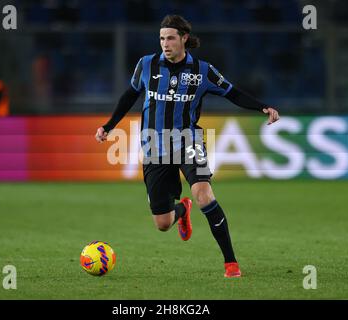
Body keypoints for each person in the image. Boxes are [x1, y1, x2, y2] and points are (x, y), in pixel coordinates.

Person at [95, 15, 280, 278]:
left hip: (187, 141)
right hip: (155, 146)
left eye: (170, 38)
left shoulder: (202, 71)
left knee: (203, 193)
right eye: (161, 38)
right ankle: (182, 210)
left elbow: (232, 92)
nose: (165, 44)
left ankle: (231, 263)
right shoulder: (146, 65)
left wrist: (263, 106)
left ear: (184, 39)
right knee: (163, 223)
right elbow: (129, 95)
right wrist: (109, 125)